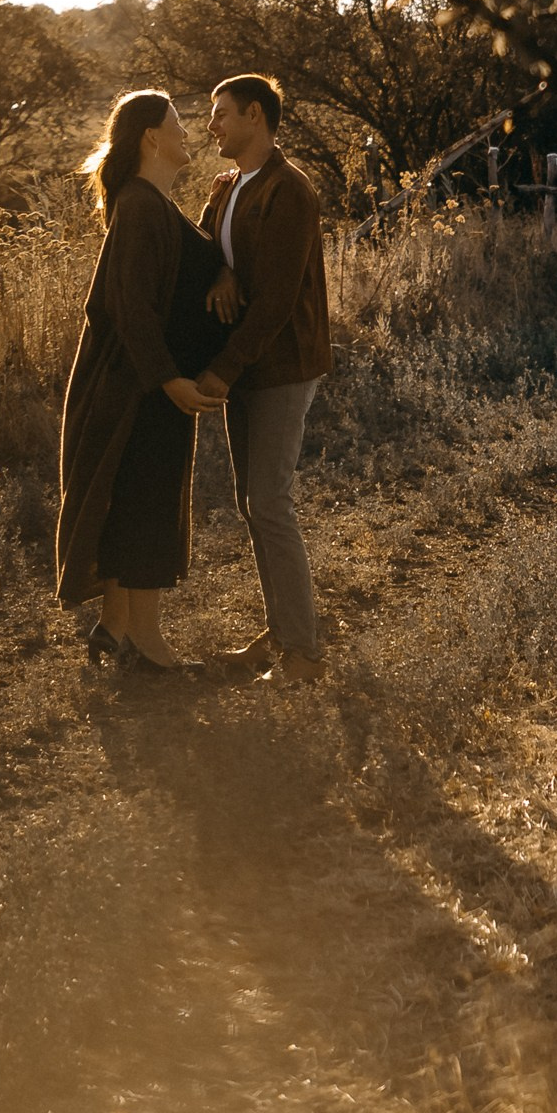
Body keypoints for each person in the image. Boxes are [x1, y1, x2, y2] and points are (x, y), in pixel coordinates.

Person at [55, 91, 226, 674]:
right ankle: (149, 645)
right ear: (151, 137)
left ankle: (118, 629)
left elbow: (182, 265)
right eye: (178, 125)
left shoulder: (153, 203)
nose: (189, 134)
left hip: (145, 385)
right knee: (146, 504)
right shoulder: (138, 204)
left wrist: (213, 220)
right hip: (139, 389)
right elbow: (131, 309)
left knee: (131, 499)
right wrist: (169, 380)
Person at [194, 74, 333, 685]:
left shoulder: (290, 192)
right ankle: (280, 634)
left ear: (256, 116)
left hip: (278, 366)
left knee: (269, 502)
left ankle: (303, 654)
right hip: (247, 366)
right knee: (253, 505)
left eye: (222, 113)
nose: (211, 125)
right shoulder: (229, 188)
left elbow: (276, 301)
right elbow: (201, 252)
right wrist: (220, 272)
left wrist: (222, 368)